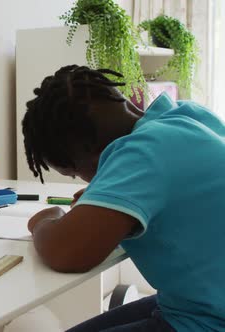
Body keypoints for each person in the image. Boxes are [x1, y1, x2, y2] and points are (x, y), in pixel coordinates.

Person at [20, 65, 225, 331]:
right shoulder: (186, 116)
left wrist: (45, 220)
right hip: (195, 302)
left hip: (207, 321)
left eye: (74, 173)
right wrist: (109, 198)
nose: (90, 182)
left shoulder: (143, 152)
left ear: (87, 153)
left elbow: (66, 253)